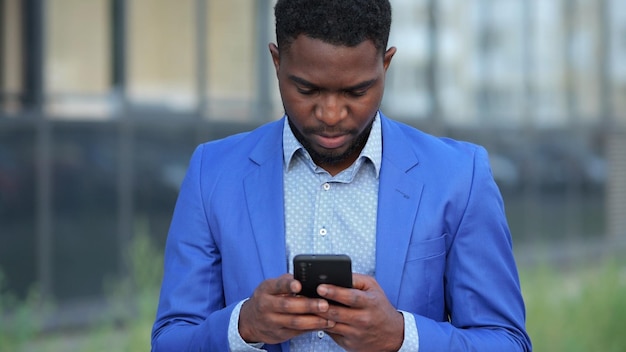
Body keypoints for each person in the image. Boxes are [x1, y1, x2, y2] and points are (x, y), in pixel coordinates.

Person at [151, 0, 532, 351]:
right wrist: (242, 327)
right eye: (307, 89)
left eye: (356, 91)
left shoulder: (458, 178)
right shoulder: (212, 173)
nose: (331, 114)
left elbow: (506, 341)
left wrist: (400, 336)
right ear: (276, 62)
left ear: (385, 66)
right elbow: (170, 341)